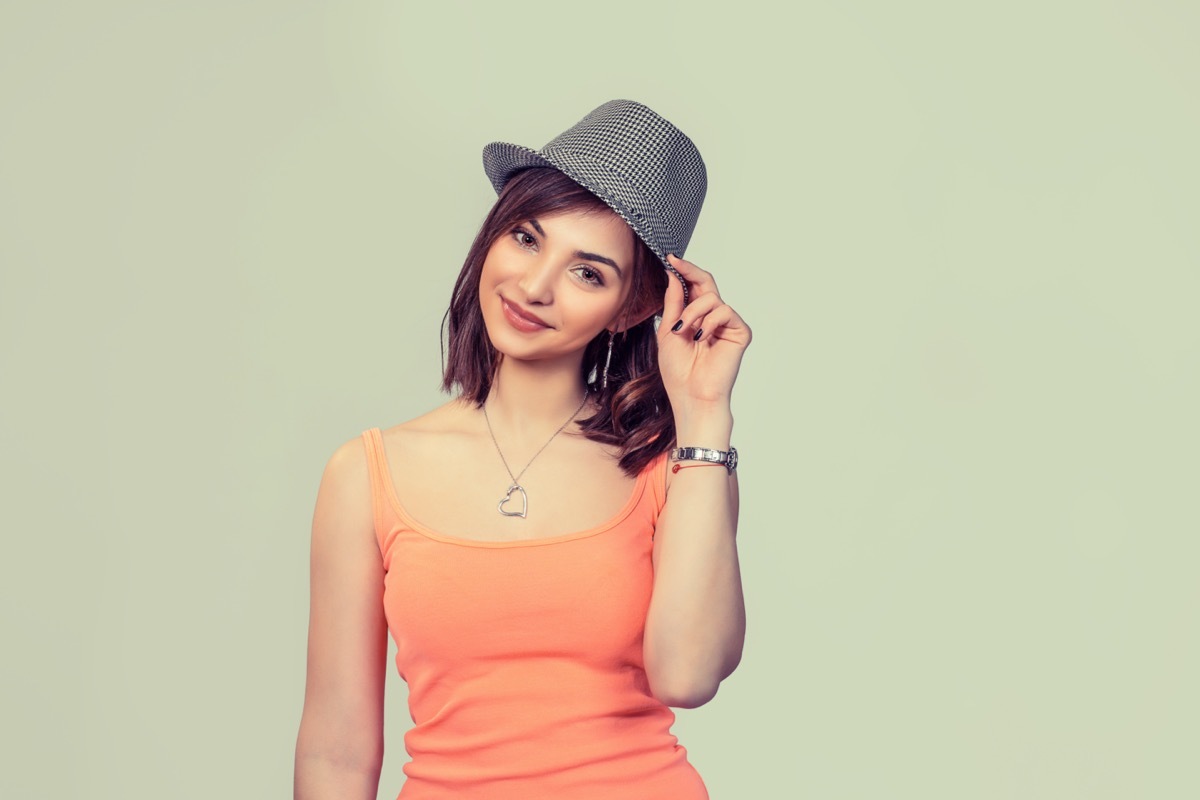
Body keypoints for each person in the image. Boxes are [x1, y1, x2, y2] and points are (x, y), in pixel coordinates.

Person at [294, 99, 751, 800]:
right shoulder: (365, 474)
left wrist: (706, 413)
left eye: (588, 272)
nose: (534, 287)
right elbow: (336, 751)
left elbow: (687, 676)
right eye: (526, 237)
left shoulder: (680, 465)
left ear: (634, 308)